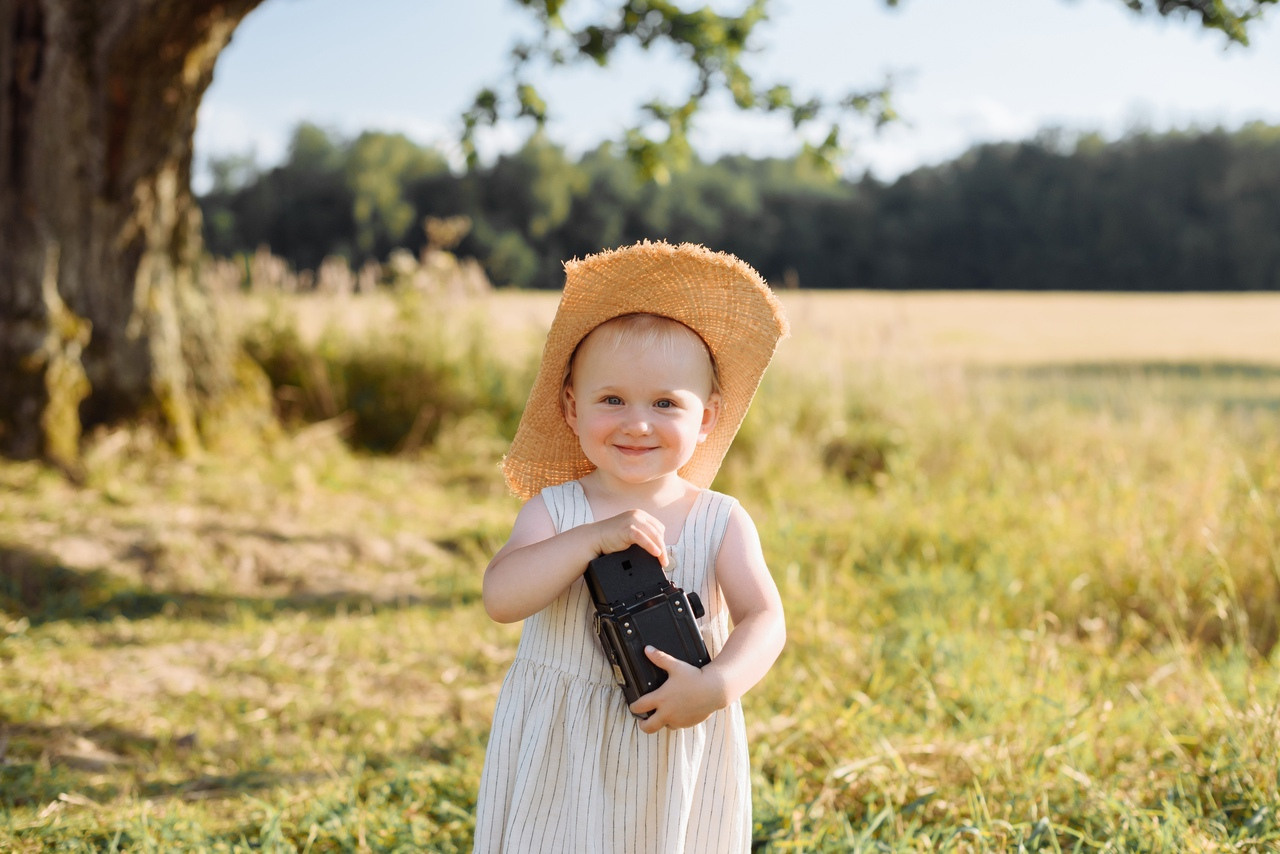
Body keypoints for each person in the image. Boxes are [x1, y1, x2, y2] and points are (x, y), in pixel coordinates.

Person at [473, 240, 790, 853]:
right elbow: (501, 597)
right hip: (562, 743)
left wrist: (718, 685)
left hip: (674, 731)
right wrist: (588, 541)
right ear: (571, 406)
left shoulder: (719, 519)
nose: (637, 422)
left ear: (706, 418)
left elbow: (765, 618)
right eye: (611, 399)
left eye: (665, 403)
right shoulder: (556, 511)